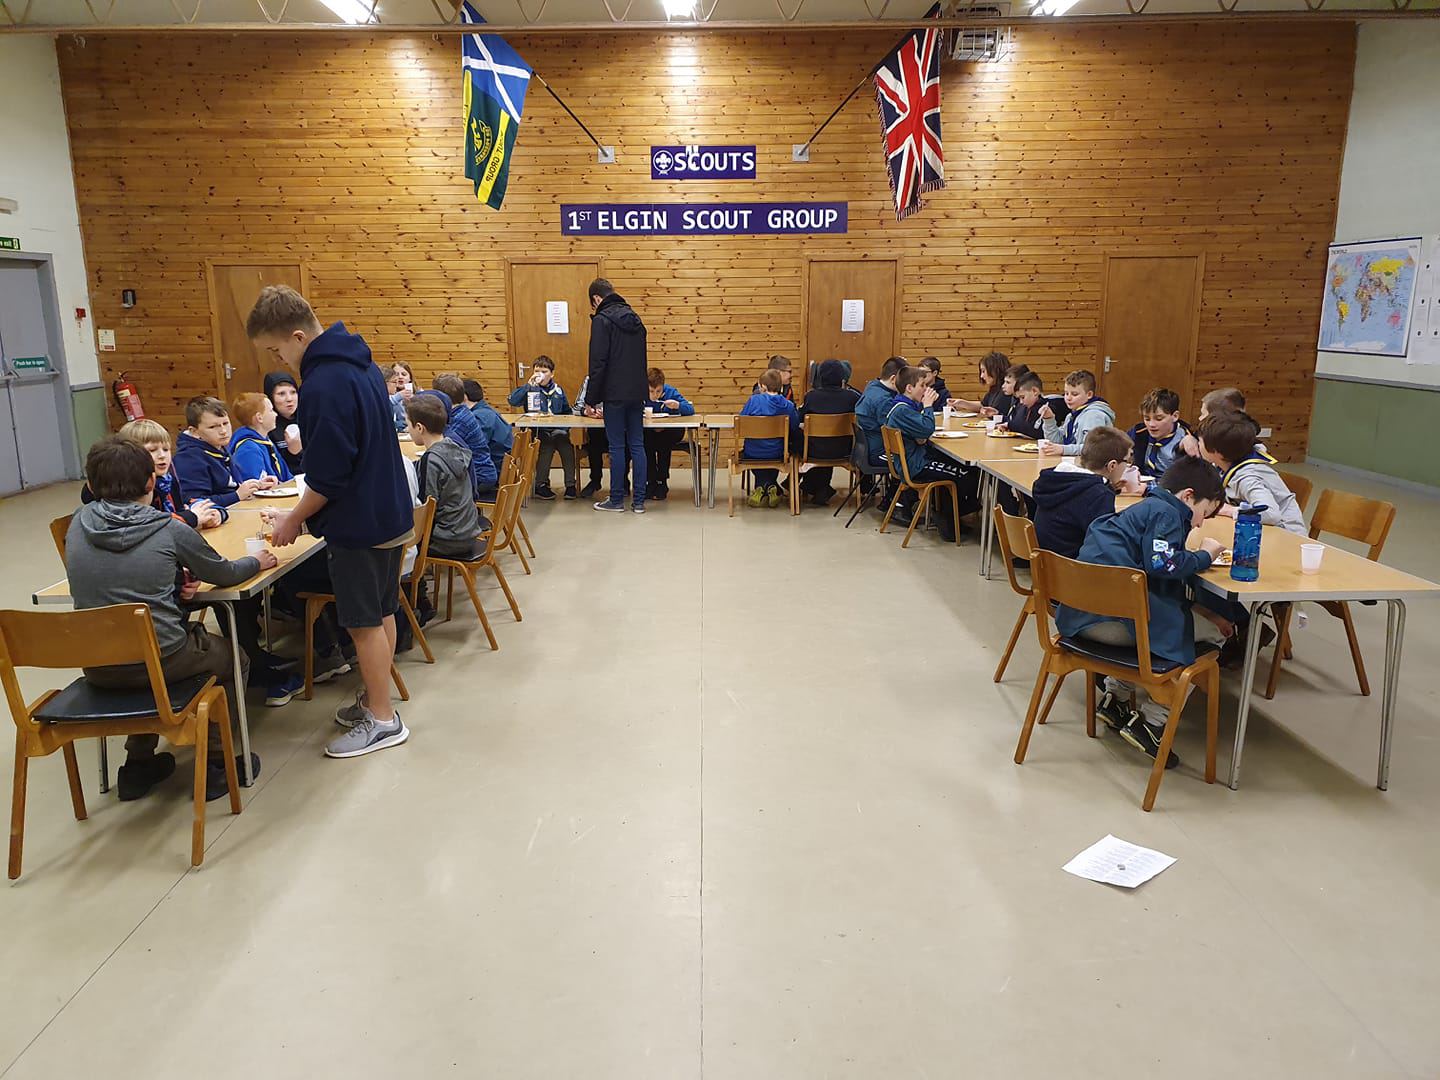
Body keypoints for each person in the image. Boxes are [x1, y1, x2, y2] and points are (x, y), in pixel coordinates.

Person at [247, 284, 414, 760]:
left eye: (276, 350)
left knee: (362, 624)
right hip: (388, 512)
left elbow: (329, 474)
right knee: (381, 612)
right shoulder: (360, 363)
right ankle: (378, 700)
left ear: (298, 337)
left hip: (359, 522)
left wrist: (292, 520)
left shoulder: (323, 383)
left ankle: (382, 718)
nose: (278, 360)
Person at [68, 437, 270, 801]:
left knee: (137, 651)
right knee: (234, 658)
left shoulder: (78, 524)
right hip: (165, 658)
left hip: (98, 664)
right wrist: (257, 561)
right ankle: (216, 762)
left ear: (91, 487)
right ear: (151, 482)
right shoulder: (168, 528)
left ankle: (138, 764)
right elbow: (223, 573)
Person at [1056, 456, 1228, 769]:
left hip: (1079, 616)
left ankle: (1115, 700)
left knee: (1160, 616)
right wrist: (1205, 555)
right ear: (1188, 496)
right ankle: (1153, 723)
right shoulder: (1167, 514)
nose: (1200, 523)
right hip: (1109, 624)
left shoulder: (1142, 508)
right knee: (1213, 634)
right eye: (1204, 512)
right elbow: (1161, 564)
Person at [881, 366, 980, 541]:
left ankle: (949, 515)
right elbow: (927, 429)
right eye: (922, 385)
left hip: (913, 461)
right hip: (916, 466)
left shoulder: (903, 406)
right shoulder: (902, 410)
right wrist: (928, 406)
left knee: (962, 467)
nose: (926, 389)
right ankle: (948, 516)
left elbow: (920, 435)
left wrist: (921, 434)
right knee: (965, 476)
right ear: (909, 388)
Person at [82, 418, 224, 530]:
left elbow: (185, 503)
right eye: (152, 450)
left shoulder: (168, 479)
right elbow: (149, 524)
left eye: (166, 449)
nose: (162, 456)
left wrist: (214, 512)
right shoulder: (133, 489)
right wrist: (191, 517)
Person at [586, 278, 649, 513]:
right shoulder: (636, 319)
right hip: (637, 392)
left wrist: (591, 399)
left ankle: (616, 500)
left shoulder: (602, 321)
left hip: (614, 393)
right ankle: (639, 501)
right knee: (637, 444)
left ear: (596, 298)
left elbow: (598, 363)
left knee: (616, 447)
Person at [1032, 425, 1141, 559]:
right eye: (1127, 461)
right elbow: (1105, 542)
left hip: (1047, 563)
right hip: (1075, 566)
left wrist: (1109, 487)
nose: (1128, 466)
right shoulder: (1099, 495)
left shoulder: (1058, 479)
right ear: (1112, 465)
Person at [1195, 410, 1306, 534]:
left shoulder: (1248, 478)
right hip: (1260, 531)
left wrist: (1229, 510)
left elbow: (1270, 514)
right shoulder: (1227, 461)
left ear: (1217, 452)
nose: (1198, 444)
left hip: (1287, 537)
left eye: (1200, 441)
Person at [405, 394, 485, 559]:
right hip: (468, 531)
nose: (407, 430)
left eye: (408, 425)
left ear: (419, 427)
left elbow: (426, 510)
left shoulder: (432, 460)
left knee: (399, 539)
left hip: (447, 540)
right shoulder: (453, 446)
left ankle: (416, 576)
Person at [174, 396, 275, 507]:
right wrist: (236, 496)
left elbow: (231, 486)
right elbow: (195, 501)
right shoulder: (189, 458)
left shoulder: (218, 447)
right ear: (194, 431)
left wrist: (257, 486)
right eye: (213, 427)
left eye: (225, 423)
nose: (223, 431)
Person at [507, 356, 577, 500]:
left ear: (552, 374)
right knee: (547, 446)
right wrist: (528, 386)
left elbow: (567, 413)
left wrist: (565, 428)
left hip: (558, 430)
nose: (540, 375)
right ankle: (541, 485)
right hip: (538, 431)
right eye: (537, 371)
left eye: (544, 372)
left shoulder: (558, 390)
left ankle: (570, 485)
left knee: (566, 446)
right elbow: (513, 401)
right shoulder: (530, 389)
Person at [797, 358, 860, 506]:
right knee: (831, 442)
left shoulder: (811, 396)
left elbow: (800, 419)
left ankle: (815, 487)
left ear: (820, 377)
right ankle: (820, 489)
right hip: (844, 450)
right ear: (842, 377)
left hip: (814, 450)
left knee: (809, 440)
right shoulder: (852, 397)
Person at [431, 375, 499, 498]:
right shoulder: (463, 412)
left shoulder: (459, 420)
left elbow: (444, 449)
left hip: (480, 477)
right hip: (482, 472)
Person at [740, 370, 800, 509]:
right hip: (778, 452)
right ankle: (770, 485)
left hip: (753, 452)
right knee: (774, 454)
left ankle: (761, 486)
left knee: (756, 453)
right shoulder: (788, 405)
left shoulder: (754, 400)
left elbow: (742, 421)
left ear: (762, 386)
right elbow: (795, 425)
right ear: (781, 387)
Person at [643, 366, 695, 502]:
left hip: (669, 432)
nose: (655, 395)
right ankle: (650, 480)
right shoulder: (639, 394)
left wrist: (678, 406)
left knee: (663, 444)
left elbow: (690, 409)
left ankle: (662, 481)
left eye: (658, 391)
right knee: (645, 444)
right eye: (651, 391)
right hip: (648, 432)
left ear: (663, 387)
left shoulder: (670, 392)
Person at [574, 373, 628, 500]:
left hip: (619, 426)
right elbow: (577, 407)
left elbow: (634, 407)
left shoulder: (624, 377)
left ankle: (623, 481)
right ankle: (595, 480)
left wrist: (612, 412)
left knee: (626, 444)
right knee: (594, 440)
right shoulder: (590, 380)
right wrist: (587, 412)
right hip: (597, 428)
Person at [1038, 370, 1116, 458]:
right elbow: (1057, 441)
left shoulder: (1094, 416)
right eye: (1066, 393)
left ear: (1089, 394)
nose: (1068, 398)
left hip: (1093, 464)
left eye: (1074, 394)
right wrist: (1049, 419)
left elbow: (1093, 448)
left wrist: (1063, 449)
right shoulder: (1071, 416)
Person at [228, 391, 295, 484]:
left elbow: (287, 477)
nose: (275, 414)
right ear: (259, 417)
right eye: (271, 410)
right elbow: (256, 487)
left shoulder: (265, 441)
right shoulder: (248, 449)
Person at [855, 356, 906, 468]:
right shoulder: (884, 400)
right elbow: (896, 430)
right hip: (880, 452)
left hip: (866, 449)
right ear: (893, 379)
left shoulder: (873, 385)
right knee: (917, 458)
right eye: (904, 380)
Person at [1129, 388, 1191, 478]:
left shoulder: (1185, 438)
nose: (1151, 424)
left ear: (1175, 416)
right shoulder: (1138, 433)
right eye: (1147, 419)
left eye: (1159, 419)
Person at [462, 377, 514, 468]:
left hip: (495, 468)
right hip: (503, 464)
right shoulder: (485, 410)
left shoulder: (479, 417)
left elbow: (475, 449)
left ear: (464, 397)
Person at [947, 350, 1011, 416]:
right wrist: (961, 403)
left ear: (994, 370)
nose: (981, 376)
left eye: (983, 371)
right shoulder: (994, 388)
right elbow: (983, 405)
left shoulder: (1006, 391)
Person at [265, 370, 304, 474]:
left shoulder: (306, 418)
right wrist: (292, 452)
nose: (289, 399)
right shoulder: (268, 426)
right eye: (281, 394)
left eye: (293, 392)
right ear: (271, 398)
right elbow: (273, 467)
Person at [996, 371, 1045, 439]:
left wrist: (1010, 425)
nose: (1021, 402)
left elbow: (1037, 431)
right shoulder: (1024, 407)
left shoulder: (1046, 408)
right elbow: (1016, 422)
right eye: (1019, 398)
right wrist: (1007, 425)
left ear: (1035, 391)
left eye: (1023, 397)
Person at [384, 361, 414, 433]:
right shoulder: (389, 395)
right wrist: (399, 396)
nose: (400, 377)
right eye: (396, 374)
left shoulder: (419, 393)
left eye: (404, 374)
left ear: (410, 377)